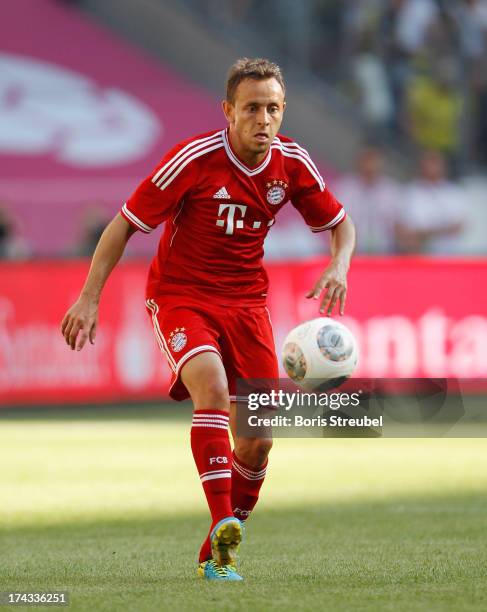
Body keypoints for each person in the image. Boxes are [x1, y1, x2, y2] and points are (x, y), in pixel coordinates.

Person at [60, 58, 355, 581]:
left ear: (282, 111)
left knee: (259, 440)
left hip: (247, 306)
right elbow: (124, 224)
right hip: (182, 296)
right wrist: (89, 297)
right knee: (212, 389)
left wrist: (339, 264)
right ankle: (223, 520)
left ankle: (218, 551)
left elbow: (341, 223)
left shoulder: (292, 164)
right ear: (228, 111)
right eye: (251, 109)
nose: (262, 119)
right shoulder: (194, 159)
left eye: (272, 108)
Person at [334, 145, 401, 253]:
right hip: (353, 251)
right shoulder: (346, 188)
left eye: (373, 161)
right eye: (366, 160)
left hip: (385, 252)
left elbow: (398, 226)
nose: (370, 166)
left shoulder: (391, 190)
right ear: (359, 162)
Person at [396, 150, 465, 254]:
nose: (432, 167)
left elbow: (457, 228)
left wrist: (422, 234)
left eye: (435, 163)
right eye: (429, 162)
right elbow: (403, 230)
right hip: (419, 257)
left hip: (449, 257)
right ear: (421, 165)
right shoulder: (410, 193)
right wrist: (441, 230)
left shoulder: (453, 193)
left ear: (443, 166)